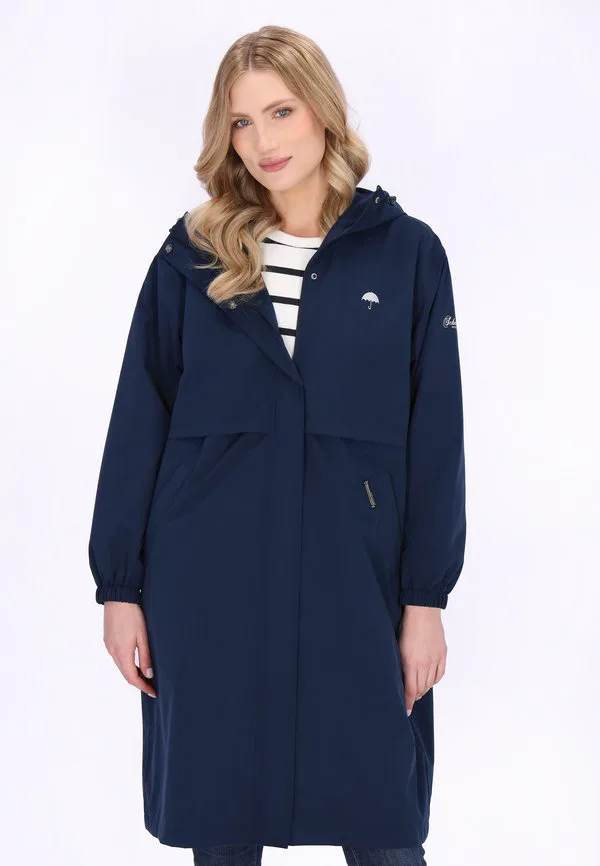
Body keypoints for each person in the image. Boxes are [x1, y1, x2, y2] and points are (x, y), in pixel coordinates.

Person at [87, 24, 466, 866]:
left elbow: (437, 436)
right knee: (223, 824)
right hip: (208, 585)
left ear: (322, 111)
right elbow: (139, 421)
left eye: (281, 111)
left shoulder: (408, 255)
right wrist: (120, 589)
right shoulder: (191, 257)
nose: (262, 141)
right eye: (241, 122)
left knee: (383, 826)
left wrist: (426, 599)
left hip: (357, 585)